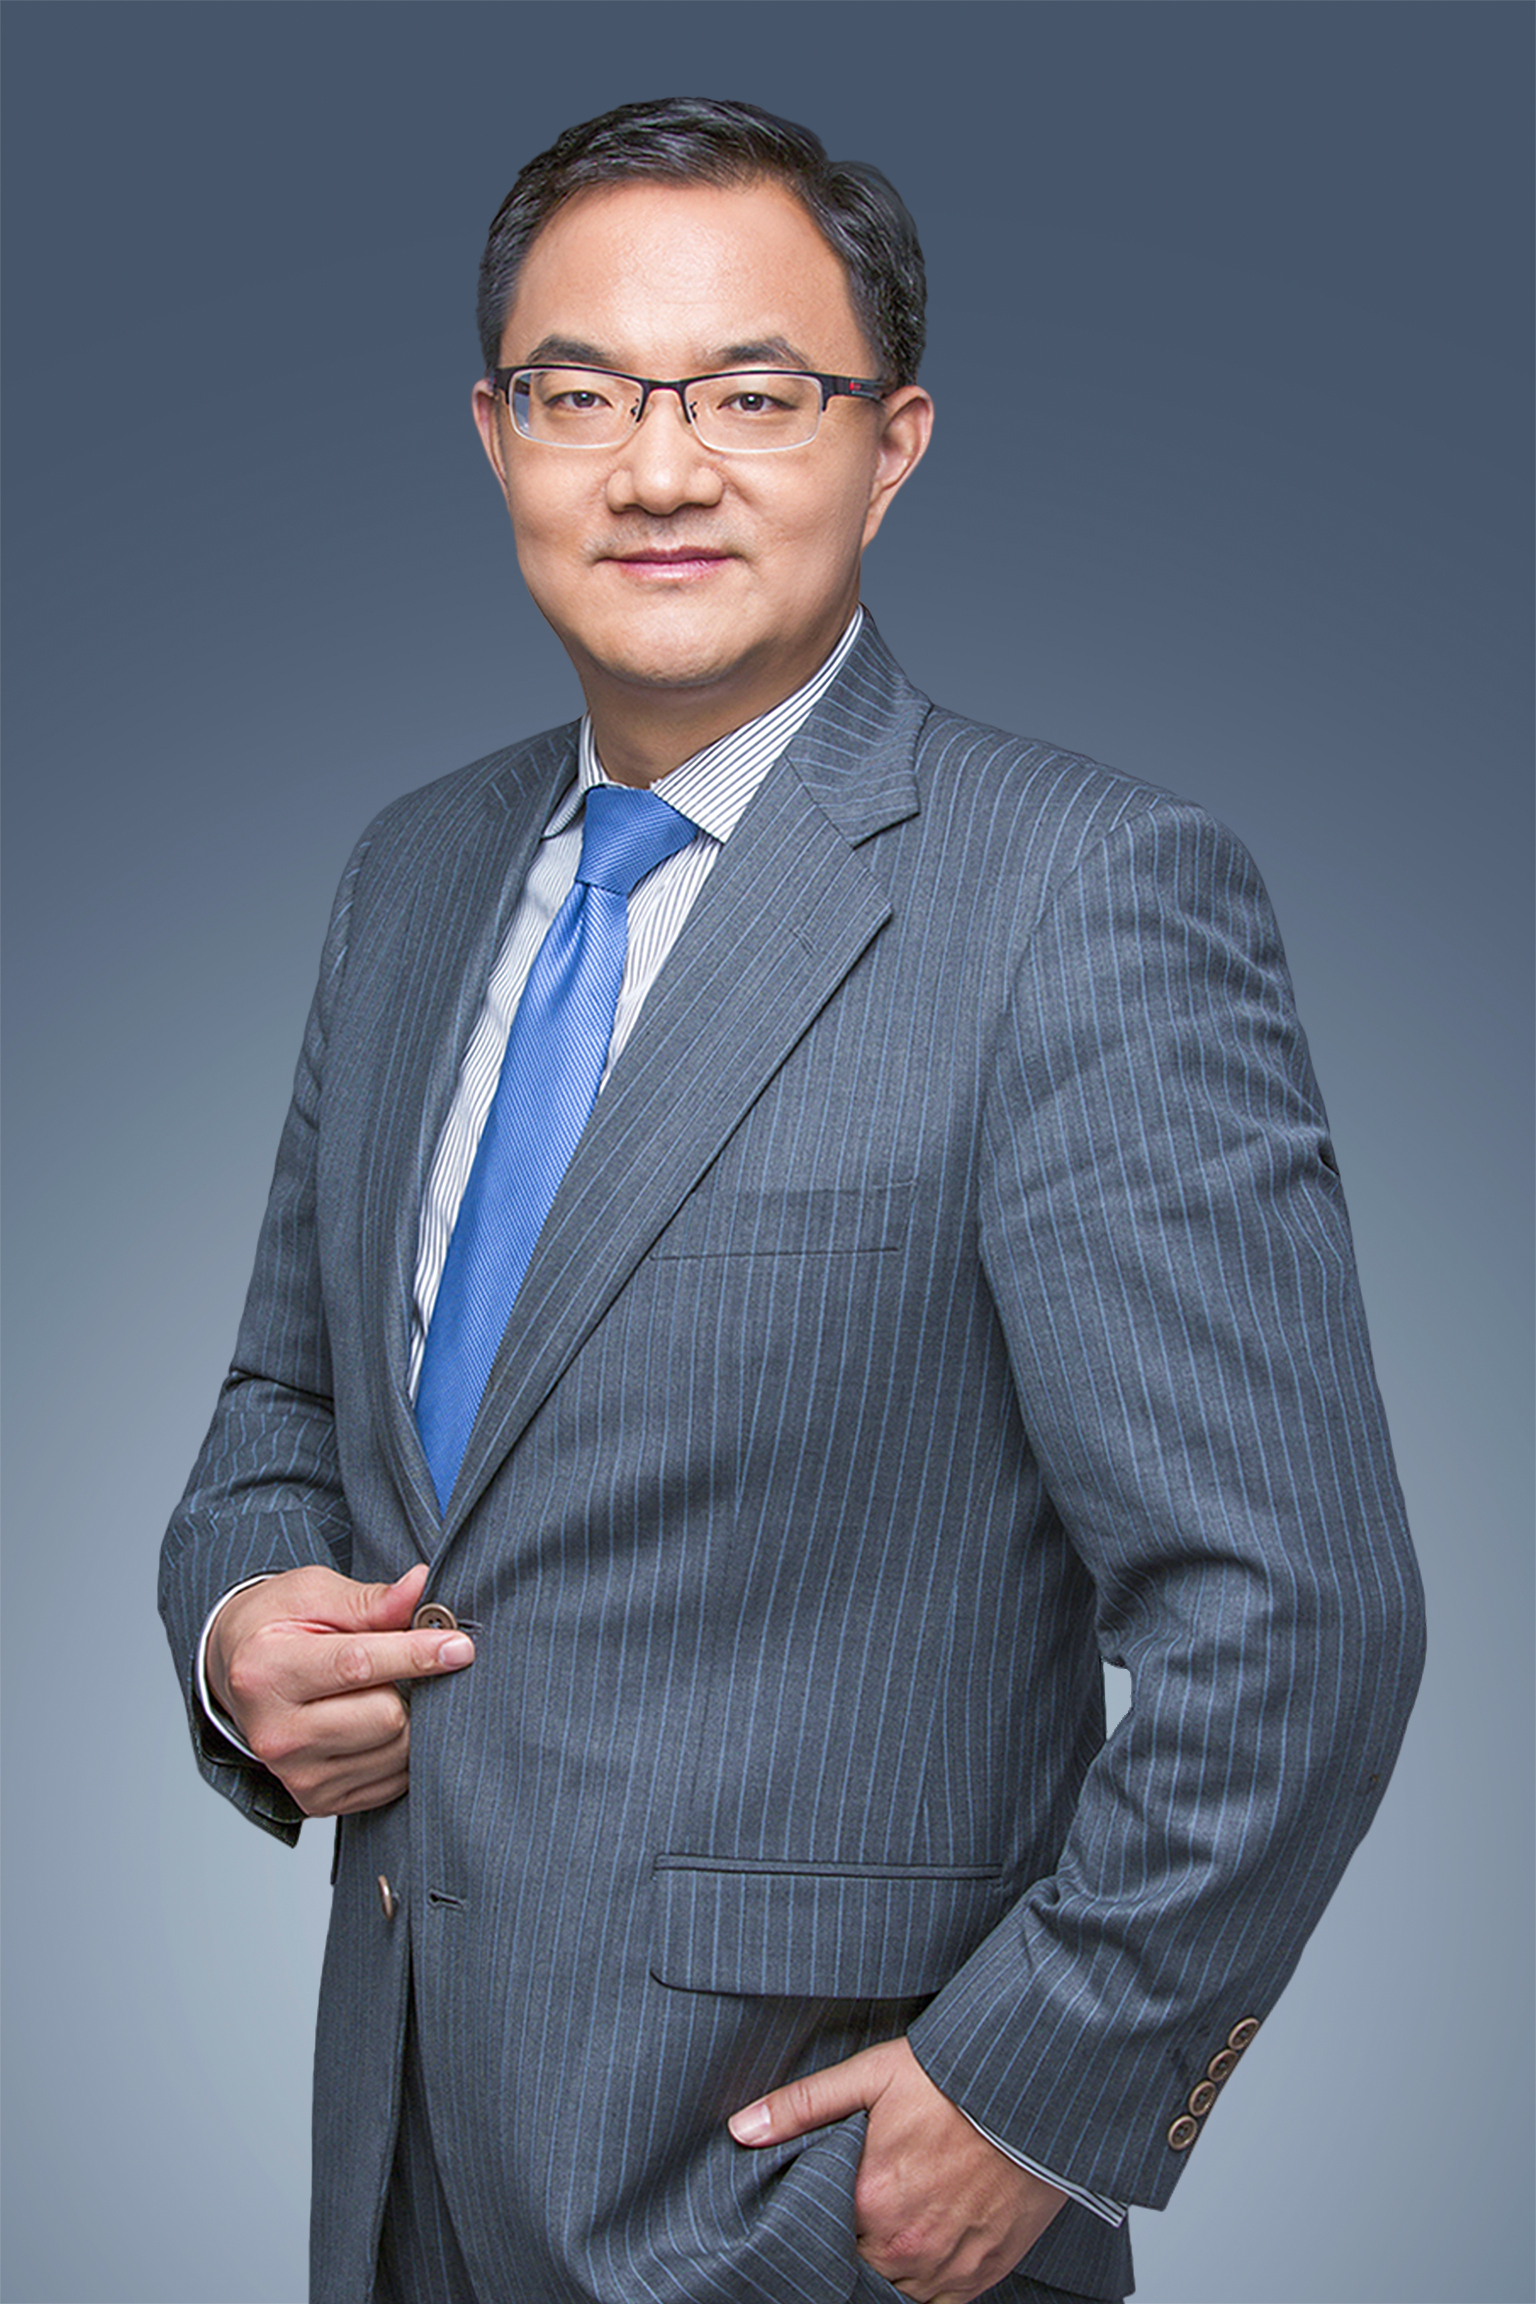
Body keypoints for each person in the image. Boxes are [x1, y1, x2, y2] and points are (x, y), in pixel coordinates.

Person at [159, 96, 1424, 2304]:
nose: (660, 471)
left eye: (755, 395)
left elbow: (1297, 1613)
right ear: (496, 435)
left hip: (811, 2217)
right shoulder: (412, 876)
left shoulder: (1082, 900)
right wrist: (238, 1623)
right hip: (400, 2165)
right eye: (582, 396)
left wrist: (1038, 2090)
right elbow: (284, 1404)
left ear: (892, 442)